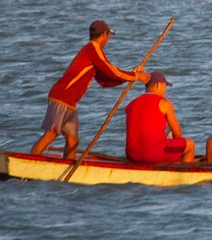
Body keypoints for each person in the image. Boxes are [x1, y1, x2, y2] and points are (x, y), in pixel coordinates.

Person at [31, 20, 150, 158]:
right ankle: (29, 164)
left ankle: (67, 171)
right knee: (51, 134)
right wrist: (136, 76)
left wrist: (131, 76)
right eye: (108, 36)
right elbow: (112, 71)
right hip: (61, 97)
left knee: (73, 140)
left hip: (70, 102)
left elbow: (105, 80)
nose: (108, 40)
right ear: (104, 35)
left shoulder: (92, 52)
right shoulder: (93, 50)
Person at [125, 70, 195, 163]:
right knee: (190, 144)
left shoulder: (132, 104)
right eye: (164, 86)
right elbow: (177, 134)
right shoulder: (164, 103)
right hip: (152, 154)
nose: (165, 90)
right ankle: (184, 174)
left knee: (167, 141)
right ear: (158, 84)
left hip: (132, 154)